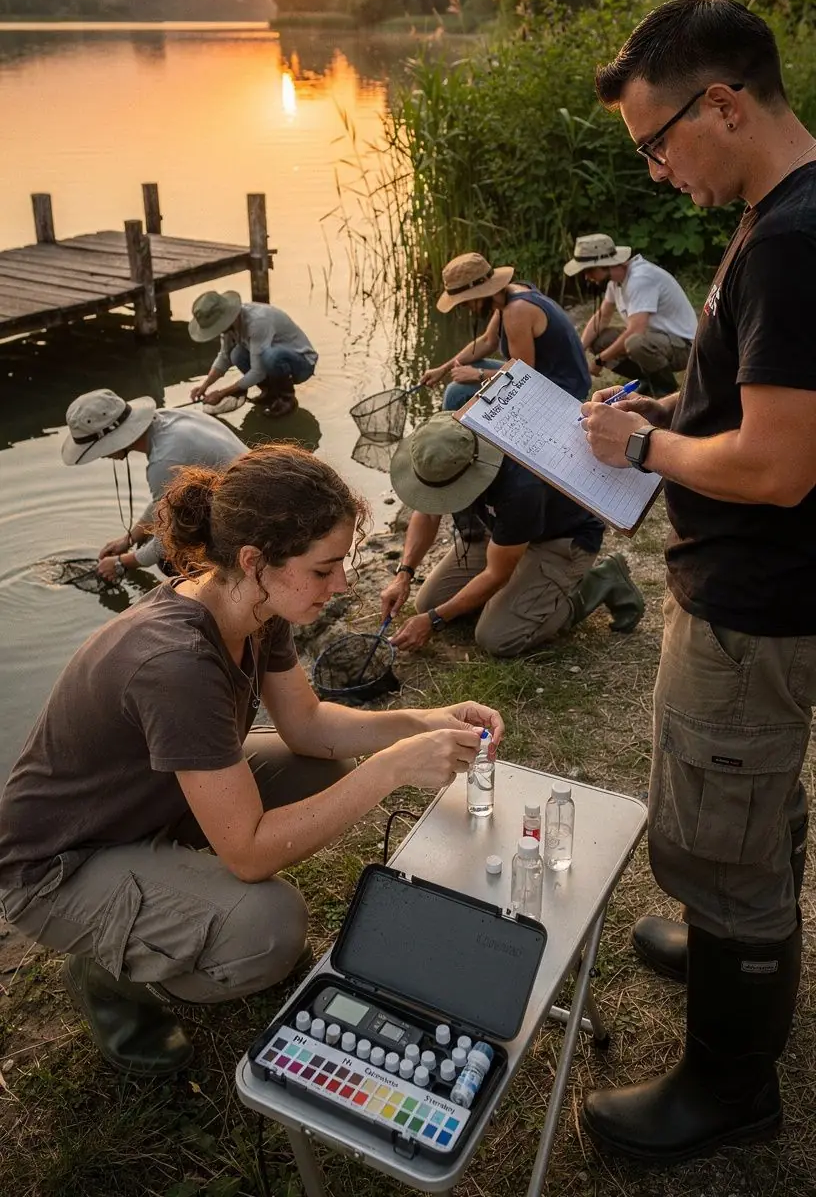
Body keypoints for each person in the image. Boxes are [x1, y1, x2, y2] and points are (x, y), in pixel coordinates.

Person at [0, 444, 501, 1075]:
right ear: (253, 561)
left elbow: (310, 726)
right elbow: (251, 852)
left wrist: (424, 720)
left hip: (142, 806)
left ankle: (159, 892)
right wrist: (396, 766)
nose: (341, 583)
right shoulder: (176, 662)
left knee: (317, 769)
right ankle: (111, 971)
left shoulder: (258, 605)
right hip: (58, 866)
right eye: (324, 570)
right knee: (270, 931)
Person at [577, 0, 816, 1165]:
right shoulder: (789, 208)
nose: (659, 172)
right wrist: (675, 408)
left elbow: (775, 467)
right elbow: (766, 407)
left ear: (721, 104)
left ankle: (730, 1090)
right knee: (749, 798)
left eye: (659, 142)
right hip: (771, 591)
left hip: (757, 600)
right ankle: (735, 936)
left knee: (720, 826)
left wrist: (648, 447)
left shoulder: (790, 240)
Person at [380, 413, 643, 658]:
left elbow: (497, 574)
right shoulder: (449, 442)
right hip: (500, 532)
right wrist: (404, 574)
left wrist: (435, 620)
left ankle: (600, 581)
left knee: (496, 638)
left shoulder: (520, 486)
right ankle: (521, 592)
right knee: (428, 602)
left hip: (560, 538)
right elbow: (427, 514)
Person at [63, 387, 247, 580]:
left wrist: (121, 562)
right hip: (252, 495)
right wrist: (130, 538)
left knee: (171, 560)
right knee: (148, 538)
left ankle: (226, 586)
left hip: (251, 520)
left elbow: (169, 537)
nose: (102, 456)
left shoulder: (164, 460)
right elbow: (166, 501)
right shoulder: (170, 418)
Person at [420, 251, 590, 411]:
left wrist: (478, 375)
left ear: (480, 294)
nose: (468, 309)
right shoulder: (511, 293)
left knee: (456, 391)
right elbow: (487, 341)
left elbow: (523, 377)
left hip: (563, 392)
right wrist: (442, 369)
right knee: (469, 366)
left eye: (465, 303)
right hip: (549, 376)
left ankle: (453, 437)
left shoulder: (517, 311)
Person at [565, 233, 697, 398]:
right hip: (656, 339)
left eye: (589, 271)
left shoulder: (640, 279)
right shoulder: (616, 281)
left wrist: (600, 360)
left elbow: (636, 330)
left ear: (605, 264)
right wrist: (578, 351)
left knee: (635, 343)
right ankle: (647, 380)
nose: (587, 277)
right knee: (600, 340)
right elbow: (602, 317)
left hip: (684, 346)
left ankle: (666, 392)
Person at [189, 289, 318, 418]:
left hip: (302, 363)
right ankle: (270, 392)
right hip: (272, 357)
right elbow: (224, 357)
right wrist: (204, 386)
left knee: (271, 356)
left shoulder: (257, 322)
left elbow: (258, 372)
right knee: (236, 354)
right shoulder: (229, 327)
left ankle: (286, 399)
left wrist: (222, 393)